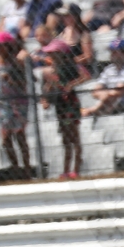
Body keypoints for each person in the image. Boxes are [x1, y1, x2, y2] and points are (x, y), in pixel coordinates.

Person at [40, 38, 89, 179]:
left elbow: (86, 75)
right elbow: (49, 84)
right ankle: (66, 170)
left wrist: (71, 85)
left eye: (55, 53)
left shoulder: (71, 66)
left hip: (70, 105)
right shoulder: (54, 69)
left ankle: (76, 169)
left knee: (74, 137)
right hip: (60, 106)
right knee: (66, 140)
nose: (52, 56)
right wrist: (45, 98)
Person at [0, 31, 31, 177]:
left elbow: (25, 82)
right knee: (6, 137)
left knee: (19, 135)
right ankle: (15, 167)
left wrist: (11, 79)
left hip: (18, 102)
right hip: (4, 103)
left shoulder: (16, 61)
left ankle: (26, 168)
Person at [82, 39, 124, 118]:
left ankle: (93, 111)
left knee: (95, 113)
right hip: (114, 106)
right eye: (111, 52)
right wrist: (105, 95)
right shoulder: (109, 69)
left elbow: (119, 91)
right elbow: (95, 91)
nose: (112, 55)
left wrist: (104, 96)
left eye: (115, 52)